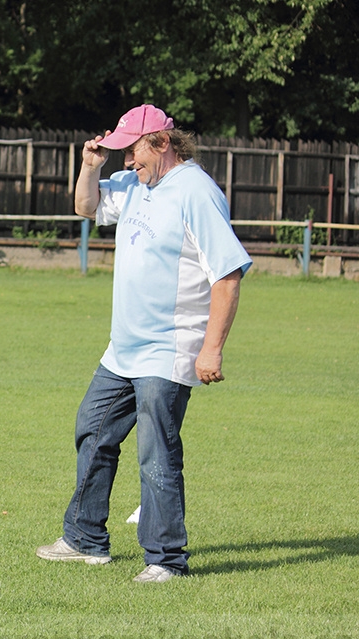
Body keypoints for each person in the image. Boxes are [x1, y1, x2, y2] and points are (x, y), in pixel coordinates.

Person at [36, 104, 252, 583]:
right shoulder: (136, 185)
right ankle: (85, 538)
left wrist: (211, 348)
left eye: (132, 150)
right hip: (123, 349)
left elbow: (228, 274)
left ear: (161, 143)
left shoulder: (196, 191)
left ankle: (165, 560)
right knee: (92, 430)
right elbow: (86, 208)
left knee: (156, 452)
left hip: (169, 349)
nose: (127, 161)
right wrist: (91, 166)